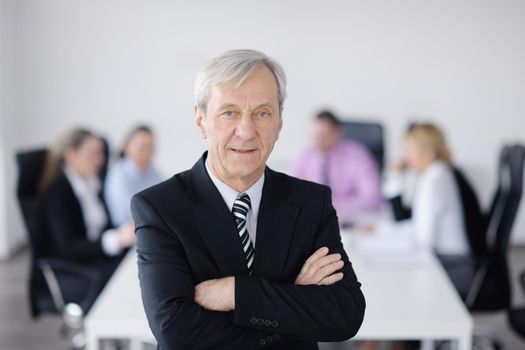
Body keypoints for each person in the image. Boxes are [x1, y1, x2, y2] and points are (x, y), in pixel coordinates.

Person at [131, 49, 365, 350]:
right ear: (201, 121)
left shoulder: (311, 202)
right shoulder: (160, 208)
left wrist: (236, 294)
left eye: (262, 113)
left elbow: (345, 314)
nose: (246, 131)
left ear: (279, 122)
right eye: (229, 112)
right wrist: (293, 300)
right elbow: (177, 333)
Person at [40, 128, 136, 309]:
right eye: (93, 154)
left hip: (94, 258)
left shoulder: (91, 182)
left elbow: (102, 226)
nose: (100, 160)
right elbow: (68, 248)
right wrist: (115, 240)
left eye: (100, 153)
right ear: (71, 155)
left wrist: (124, 232)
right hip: (75, 269)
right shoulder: (58, 192)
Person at [384, 123, 472, 296]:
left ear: (429, 152)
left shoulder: (434, 181)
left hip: (451, 267)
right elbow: (418, 227)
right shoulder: (435, 174)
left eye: (410, 149)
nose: (405, 156)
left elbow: (423, 241)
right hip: (449, 261)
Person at [290, 111, 382, 215]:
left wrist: (332, 205)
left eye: (324, 134)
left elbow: (373, 200)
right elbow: (293, 196)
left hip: (351, 219)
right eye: (314, 135)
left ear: (338, 132)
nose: (318, 140)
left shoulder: (358, 155)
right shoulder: (303, 157)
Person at [104, 125, 162, 226]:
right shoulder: (118, 174)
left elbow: (165, 195)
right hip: (129, 230)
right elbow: (131, 211)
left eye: (151, 147)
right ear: (127, 147)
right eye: (143, 147)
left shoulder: (152, 171)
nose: (148, 152)